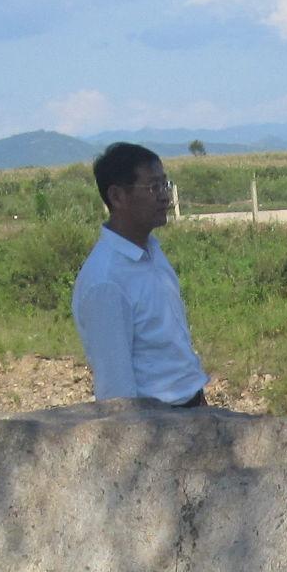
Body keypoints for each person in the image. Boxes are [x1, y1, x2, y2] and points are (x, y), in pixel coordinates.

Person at [71, 142, 209, 406]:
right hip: (157, 425)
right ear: (117, 197)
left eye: (165, 185)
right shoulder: (106, 281)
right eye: (153, 187)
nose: (165, 197)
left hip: (191, 410)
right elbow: (116, 393)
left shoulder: (151, 251)